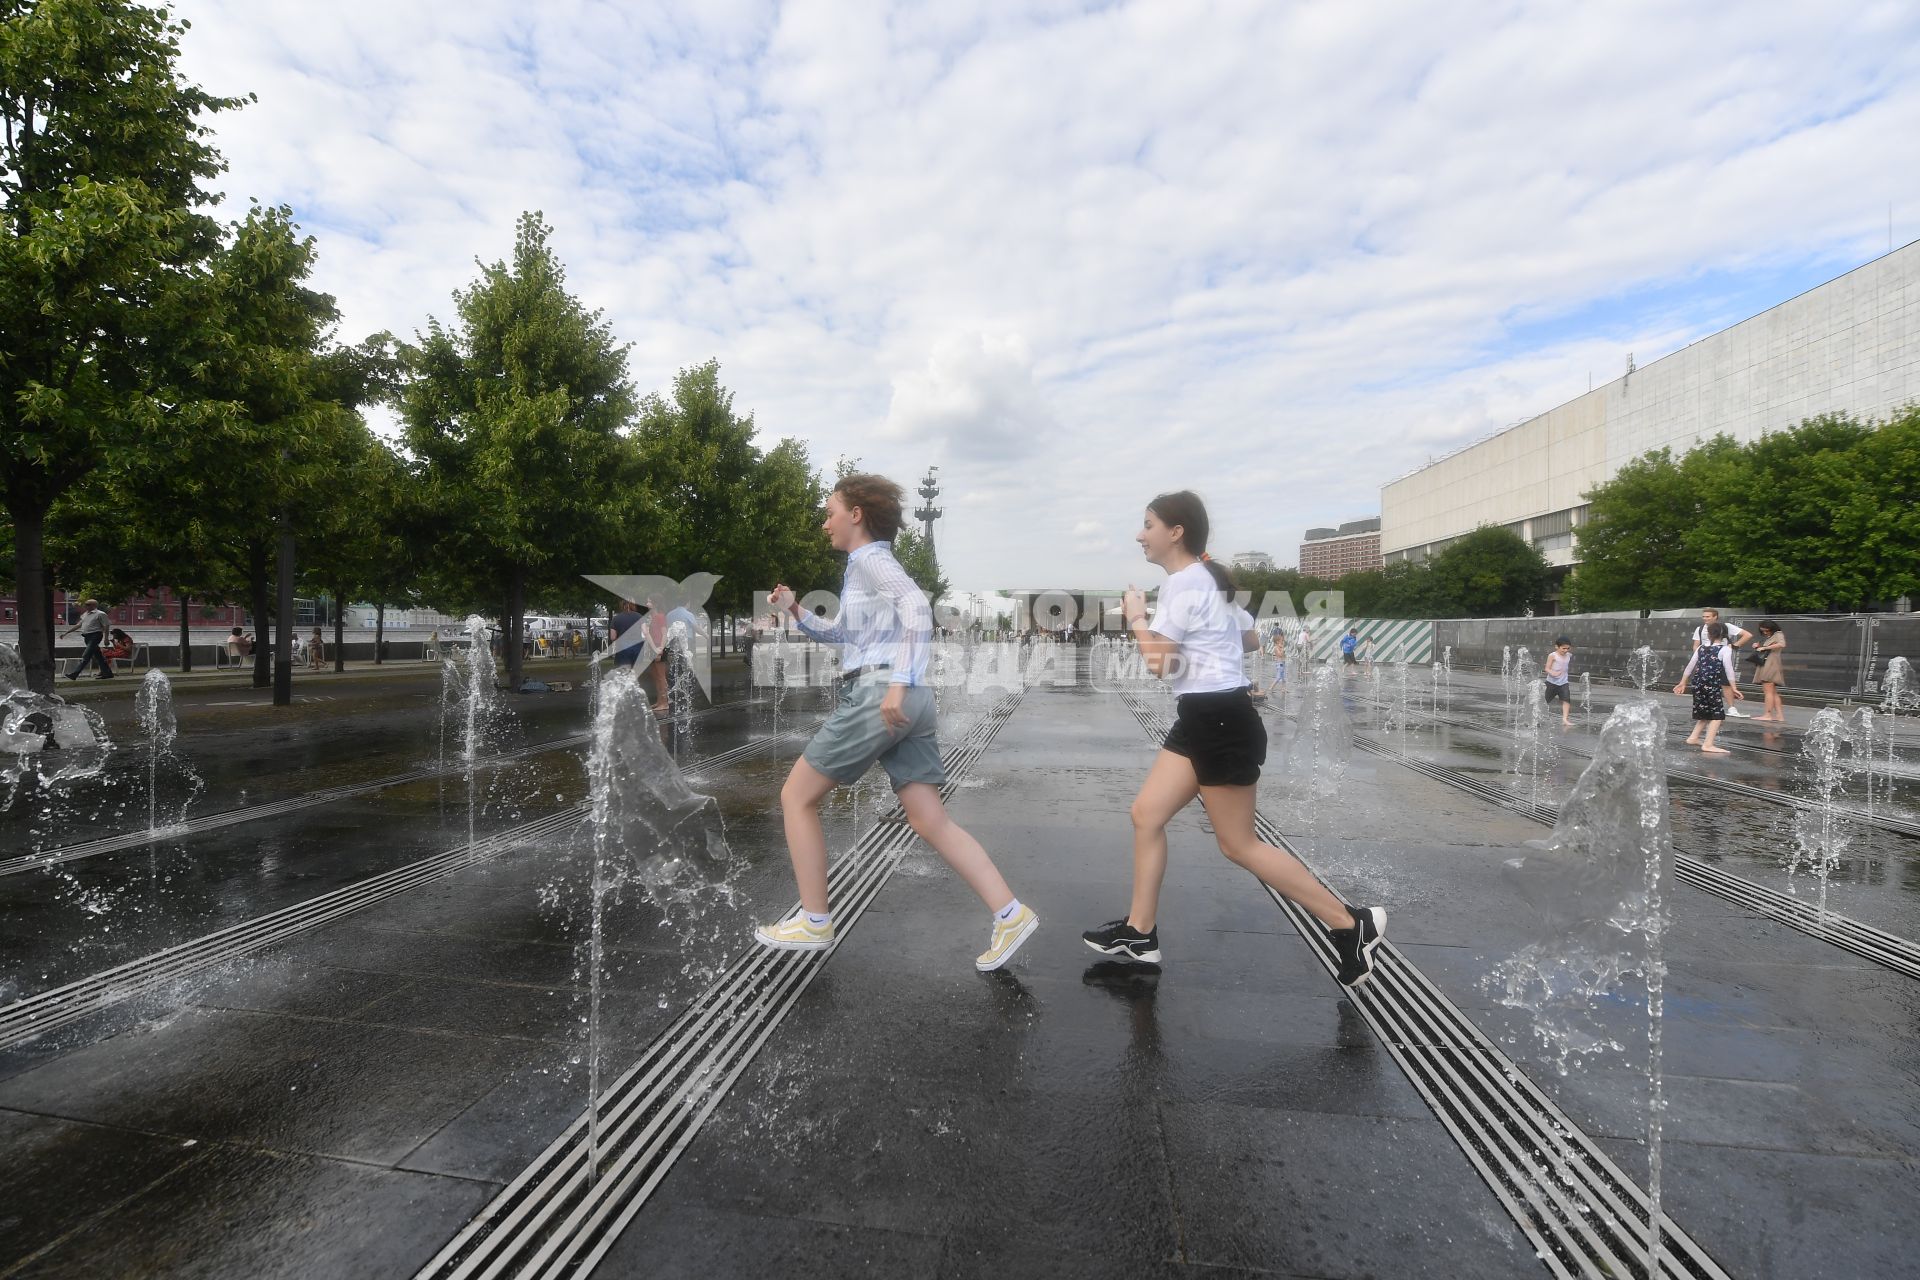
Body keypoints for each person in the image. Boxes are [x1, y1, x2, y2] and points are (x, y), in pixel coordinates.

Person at [1081, 490, 1386, 988]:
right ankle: (1140, 932)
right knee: (1146, 814)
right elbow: (1252, 638)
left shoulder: (1184, 584)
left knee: (1239, 845)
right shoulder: (1209, 582)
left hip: (1218, 720)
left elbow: (1160, 664)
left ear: (1176, 532)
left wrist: (1136, 615)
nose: (1141, 534)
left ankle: (1351, 924)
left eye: (1148, 524)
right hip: (1206, 715)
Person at [754, 472, 1038, 972]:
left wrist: (898, 681)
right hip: (908, 698)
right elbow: (843, 635)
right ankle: (1010, 913)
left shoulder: (870, 559)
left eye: (830, 512)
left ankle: (815, 919)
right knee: (929, 819)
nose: (825, 524)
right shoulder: (863, 569)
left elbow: (916, 607)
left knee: (796, 797)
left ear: (856, 515)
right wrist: (795, 609)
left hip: (882, 693)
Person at [1675, 621, 1740, 754]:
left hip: (1698, 683)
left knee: (1704, 713)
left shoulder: (1701, 648)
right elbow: (1729, 670)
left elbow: (1690, 666)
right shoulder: (1725, 649)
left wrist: (1683, 682)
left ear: (1709, 634)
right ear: (1724, 635)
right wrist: (1734, 687)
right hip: (1711, 685)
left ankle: (1693, 737)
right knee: (1717, 716)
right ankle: (1708, 744)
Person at [1690, 608, 1750, 718]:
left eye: (1708, 616)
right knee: (1706, 684)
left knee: (1725, 683)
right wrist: (1699, 656)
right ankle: (1707, 707)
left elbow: (1747, 635)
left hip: (1721, 658)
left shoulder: (1725, 626)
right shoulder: (1700, 629)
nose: (1705, 618)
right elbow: (1696, 644)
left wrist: (1733, 646)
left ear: (1715, 617)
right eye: (1703, 616)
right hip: (1705, 660)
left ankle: (1731, 708)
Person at [60, 598, 114, 680]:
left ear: (94, 605)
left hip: (95, 636)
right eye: (85, 604)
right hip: (87, 637)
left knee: (86, 655)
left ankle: (74, 674)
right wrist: (66, 633)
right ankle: (108, 673)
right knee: (98, 656)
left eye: (88, 604)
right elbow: (78, 625)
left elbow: (106, 626)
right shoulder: (85, 614)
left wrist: (106, 638)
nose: (86, 606)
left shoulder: (100, 614)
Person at [1751, 620, 1788, 722]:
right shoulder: (1772, 636)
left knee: (1768, 691)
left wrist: (1765, 647)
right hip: (1771, 663)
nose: (1765, 633)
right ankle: (1780, 716)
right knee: (1773, 692)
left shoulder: (1778, 634)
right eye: (1763, 631)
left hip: (1770, 663)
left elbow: (1782, 644)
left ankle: (1767, 714)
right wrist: (1759, 647)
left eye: (1767, 630)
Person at [1542, 637, 1573, 727]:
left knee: (1566, 700)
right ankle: (1535, 716)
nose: (1566, 650)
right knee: (1544, 701)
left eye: (1568, 648)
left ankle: (1565, 719)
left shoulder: (1568, 655)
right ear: (1557, 647)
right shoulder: (1553, 655)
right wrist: (1553, 673)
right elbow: (1547, 668)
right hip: (1551, 682)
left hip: (1563, 682)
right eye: (1563, 648)